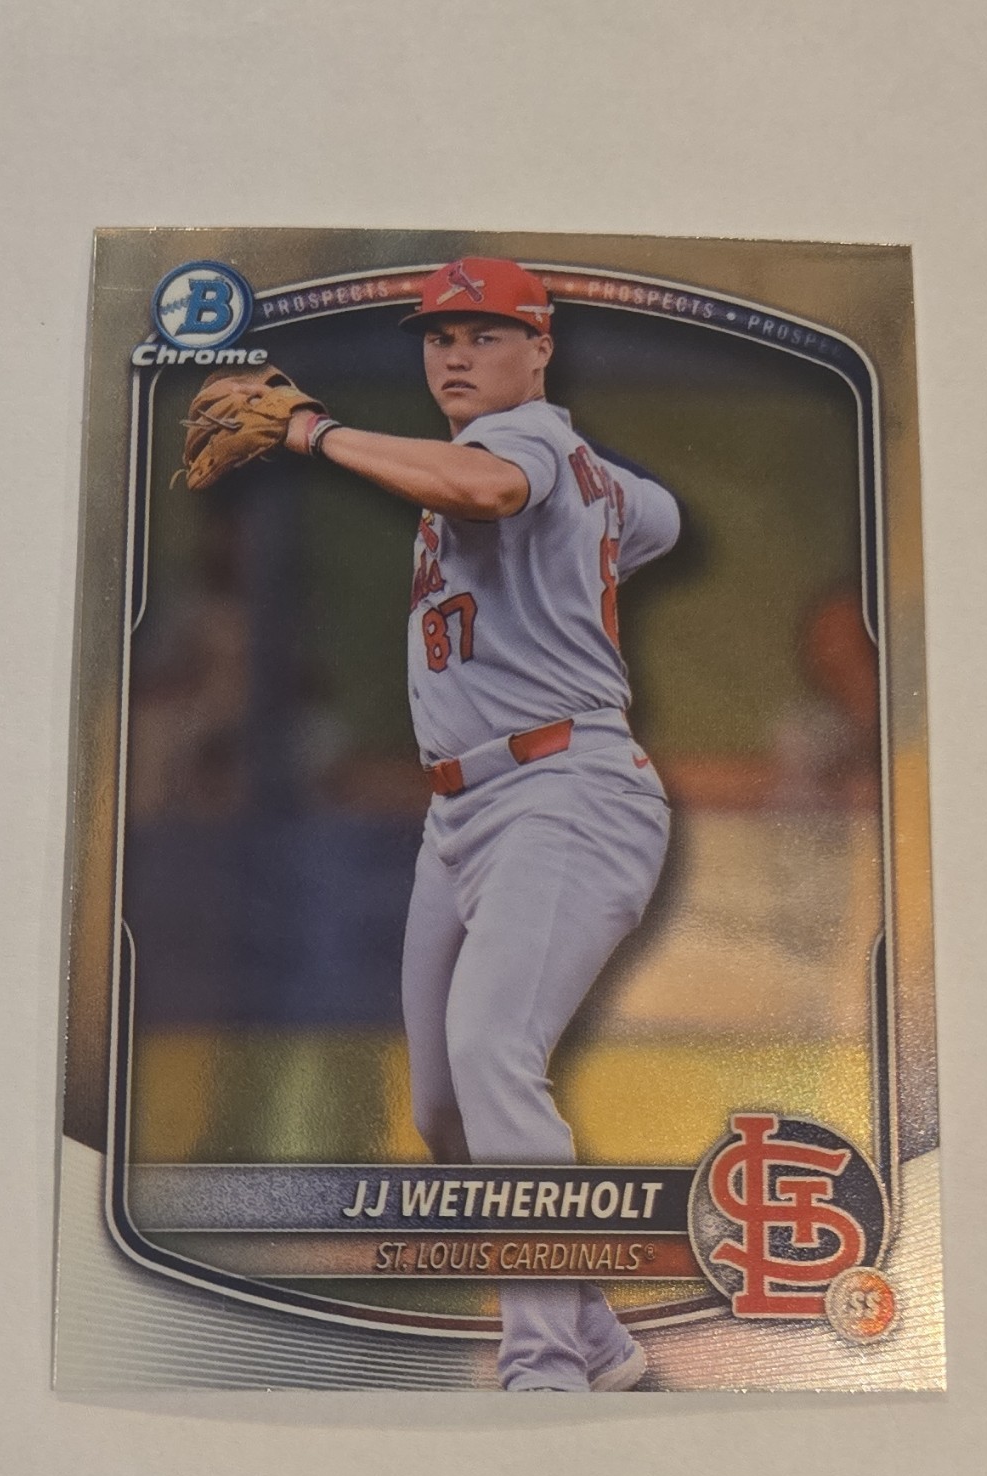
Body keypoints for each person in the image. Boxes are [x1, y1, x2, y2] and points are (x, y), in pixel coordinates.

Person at [284, 258, 681, 1391]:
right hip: (460, 811)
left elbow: (495, 490)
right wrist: (595, 512)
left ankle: (542, 1369)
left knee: (494, 1052)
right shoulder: (570, 465)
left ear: (540, 348)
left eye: (485, 334)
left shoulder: (520, 444)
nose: (454, 354)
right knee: (445, 1108)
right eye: (439, 336)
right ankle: (598, 1339)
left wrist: (314, 432)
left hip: (564, 790)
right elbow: (657, 518)